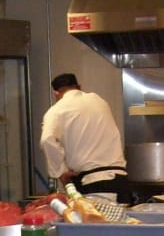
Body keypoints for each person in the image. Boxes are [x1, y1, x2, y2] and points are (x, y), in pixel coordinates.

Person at [39, 73, 128, 202]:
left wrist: (60, 171)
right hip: (120, 180)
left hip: (95, 185)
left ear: (56, 94)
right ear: (79, 87)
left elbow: (47, 139)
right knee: (120, 222)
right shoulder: (99, 101)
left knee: (95, 222)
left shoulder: (56, 110)